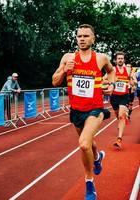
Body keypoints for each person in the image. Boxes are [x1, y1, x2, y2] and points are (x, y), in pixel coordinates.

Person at [52, 24, 115, 200]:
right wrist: (65, 70)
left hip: (96, 109)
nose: (82, 39)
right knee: (90, 143)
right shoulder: (68, 57)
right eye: (79, 36)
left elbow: (111, 72)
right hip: (76, 110)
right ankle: (97, 157)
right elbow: (55, 82)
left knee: (83, 144)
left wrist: (110, 85)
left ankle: (89, 182)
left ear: (93, 39)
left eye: (86, 36)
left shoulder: (101, 58)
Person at [110, 52, 132, 148]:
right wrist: (112, 82)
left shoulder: (128, 69)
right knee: (118, 115)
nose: (120, 60)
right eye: (118, 58)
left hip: (124, 96)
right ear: (115, 60)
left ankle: (119, 139)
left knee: (122, 115)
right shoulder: (112, 70)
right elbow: (104, 80)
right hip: (114, 96)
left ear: (124, 60)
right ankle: (120, 123)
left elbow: (132, 79)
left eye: (122, 58)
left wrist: (132, 82)